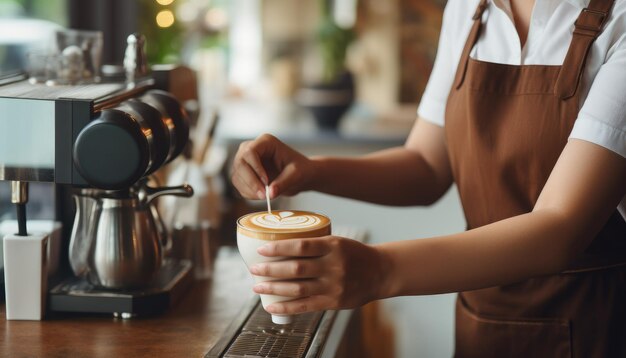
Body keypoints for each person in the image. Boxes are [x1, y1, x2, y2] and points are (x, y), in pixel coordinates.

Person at [230, 0, 626, 356]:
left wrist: (379, 271)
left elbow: (558, 229)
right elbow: (426, 164)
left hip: (592, 326)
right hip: (481, 323)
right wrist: (313, 170)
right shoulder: (470, 8)